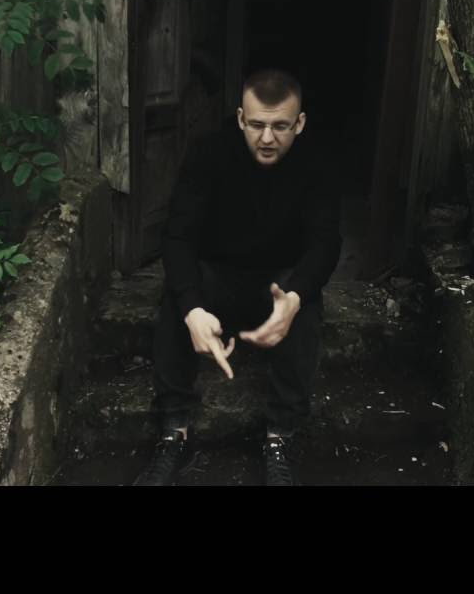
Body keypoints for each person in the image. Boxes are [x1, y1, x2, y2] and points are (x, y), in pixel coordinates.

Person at [133, 68, 342, 486]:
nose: (267, 138)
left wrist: (295, 297)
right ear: (241, 118)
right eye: (257, 125)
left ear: (299, 123)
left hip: (277, 284)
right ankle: (174, 429)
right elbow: (178, 236)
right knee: (177, 292)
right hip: (218, 278)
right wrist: (193, 309)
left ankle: (281, 435)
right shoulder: (209, 151)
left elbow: (325, 242)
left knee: (304, 299)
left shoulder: (316, 161)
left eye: (280, 127)